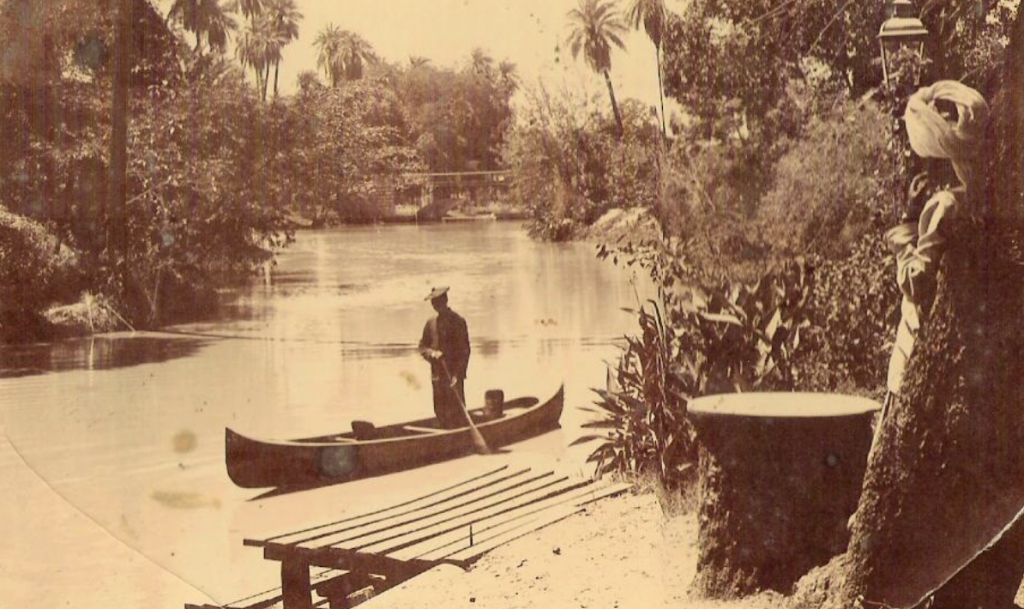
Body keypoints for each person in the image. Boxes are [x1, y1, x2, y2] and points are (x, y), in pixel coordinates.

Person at [881, 80, 989, 425]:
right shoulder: (982, 196)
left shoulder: (945, 206)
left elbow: (917, 284)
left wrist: (906, 228)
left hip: (925, 349)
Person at [418, 286, 471, 429]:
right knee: (440, 410)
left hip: (453, 375)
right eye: (433, 302)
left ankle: (459, 436)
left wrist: (458, 375)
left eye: (438, 302)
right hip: (437, 376)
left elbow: (465, 351)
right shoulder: (430, 323)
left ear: (445, 301)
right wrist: (432, 354)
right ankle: (444, 435)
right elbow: (422, 347)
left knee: (457, 411)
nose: (435, 305)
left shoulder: (458, 321)